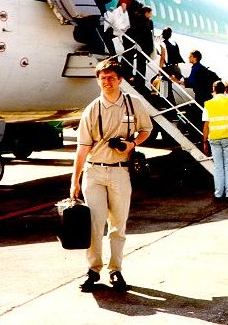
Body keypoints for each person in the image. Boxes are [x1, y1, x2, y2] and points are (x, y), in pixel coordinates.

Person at [71, 60, 153, 292]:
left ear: (120, 80)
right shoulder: (92, 109)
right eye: (103, 78)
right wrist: (74, 180)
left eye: (111, 78)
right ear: (97, 80)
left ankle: (115, 270)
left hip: (120, 171)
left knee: (118, 226)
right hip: (94, 172)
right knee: (95, 225)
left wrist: (132, 144)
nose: (107, 82)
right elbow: (82, 147)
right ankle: (93, 269)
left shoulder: (133, 104)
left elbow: (147, 129)